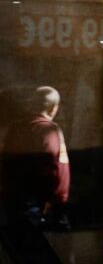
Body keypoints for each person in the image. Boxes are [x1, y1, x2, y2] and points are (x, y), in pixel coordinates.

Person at [2, 87, 69, 227]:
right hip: (36, 204)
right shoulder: (52, 130)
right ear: (53, 108)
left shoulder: (15, 127)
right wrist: (59, 200)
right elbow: (60, 168)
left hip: (9, 198)